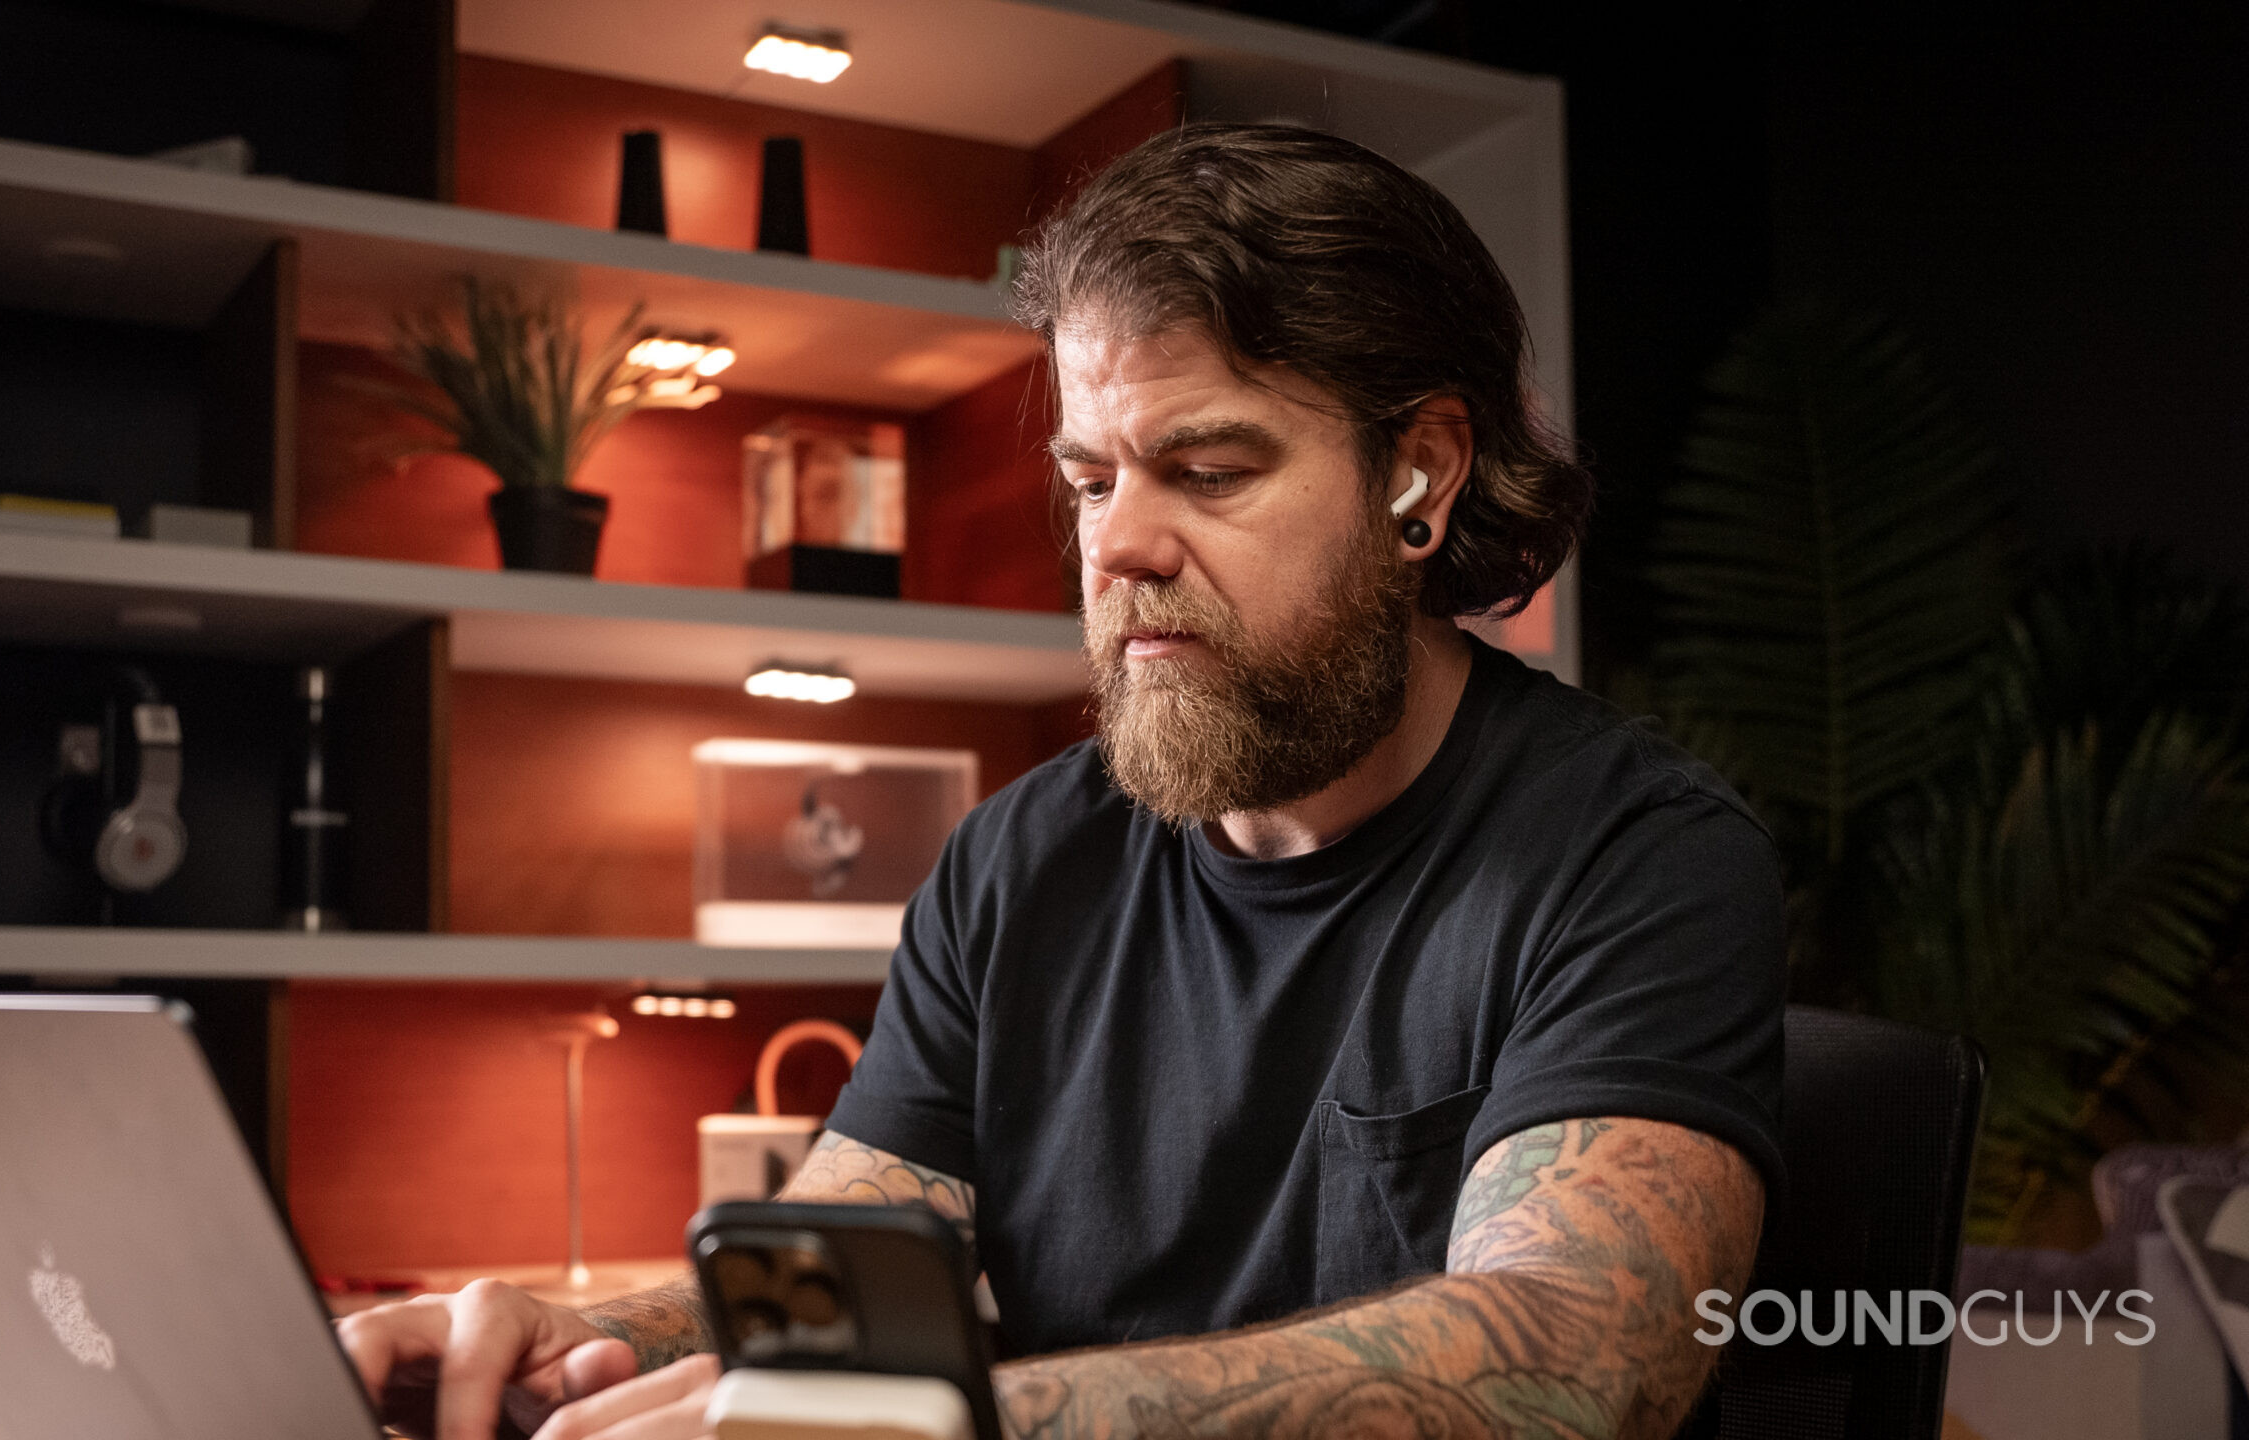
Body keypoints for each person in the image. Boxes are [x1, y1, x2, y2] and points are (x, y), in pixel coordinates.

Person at [337, 122, 1785, 1440]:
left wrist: (973, 1429)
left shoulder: (1635, 854)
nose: (1118, 546)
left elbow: (1581, 1358)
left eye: (1208, 470)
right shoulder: (1015, 864)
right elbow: (844, 1280)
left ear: (1420, 473)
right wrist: (575, 1342)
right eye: (1094, 481)